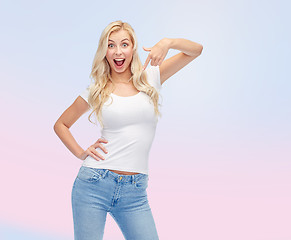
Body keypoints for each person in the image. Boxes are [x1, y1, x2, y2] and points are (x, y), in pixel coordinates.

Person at [53, 20, 203, 240]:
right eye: (110, 45)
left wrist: (168, 43)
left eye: (124, 44)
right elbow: (61, 124)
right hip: (94, 183)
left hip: (135, 192)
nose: (117, 51)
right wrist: (80, 152)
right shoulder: (97, 90)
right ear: (104, 51)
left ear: (133, 48)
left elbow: (196, 50)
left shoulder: (151, 77)